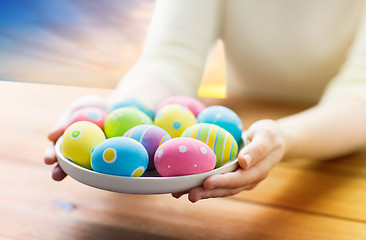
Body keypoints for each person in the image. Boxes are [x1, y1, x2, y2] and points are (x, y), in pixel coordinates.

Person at [44, 0, 366, 203]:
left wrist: (282, 137)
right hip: (249, 124)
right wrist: (119, 110)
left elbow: (359, 94)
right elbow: (171, 57)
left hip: (344, 163)